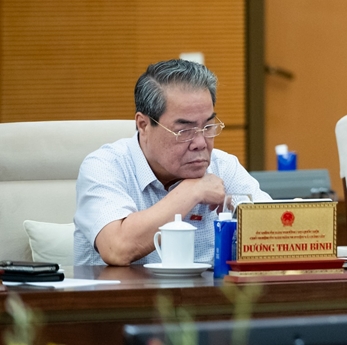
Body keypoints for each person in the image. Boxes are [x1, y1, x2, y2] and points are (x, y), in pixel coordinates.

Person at [74, 59, 271, 266]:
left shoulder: (223, 167)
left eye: (208, 127)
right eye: (184, 131)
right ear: (143, 125)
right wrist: (192, 191)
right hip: (123, 288)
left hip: (208, 288)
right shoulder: (105, 166)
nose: (200, 143)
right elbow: (117, 248)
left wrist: (246, 218)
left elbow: (280, 233)